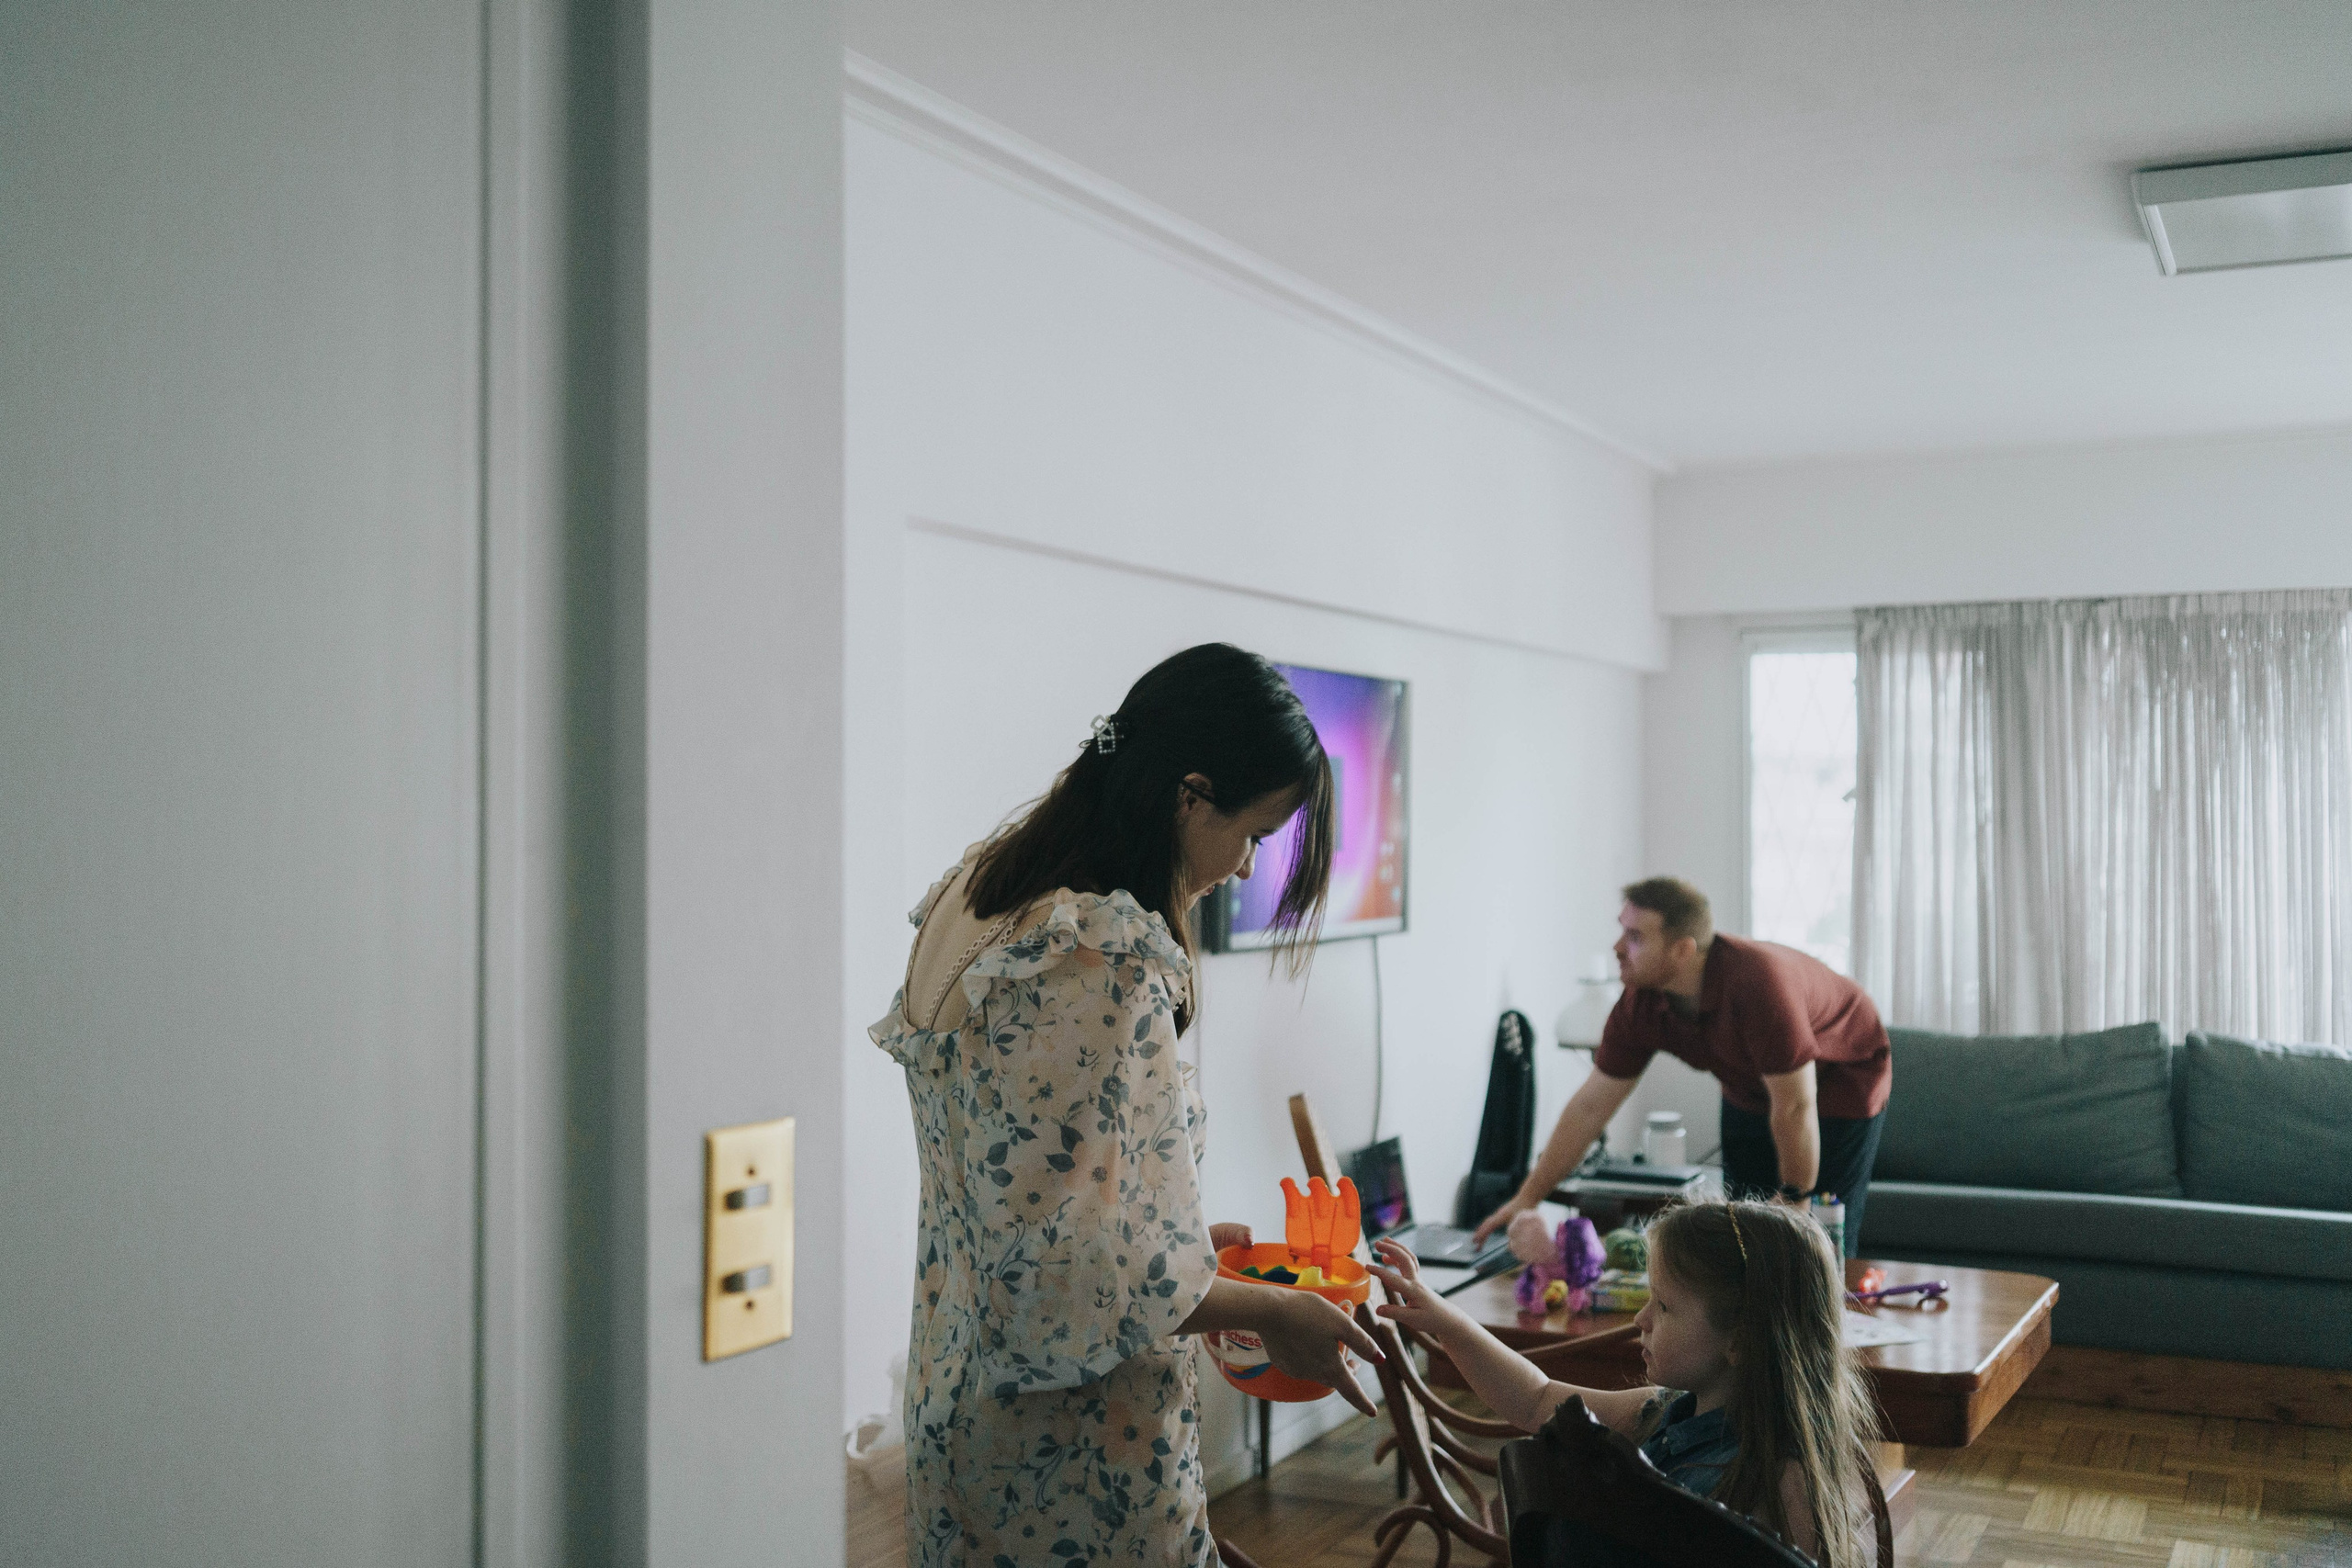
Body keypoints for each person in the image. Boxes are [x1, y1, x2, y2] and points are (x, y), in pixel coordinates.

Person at [870, 644, 1384, 1568]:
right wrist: (1270, 1313)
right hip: (1069, 1443)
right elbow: (1066, 1276)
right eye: (1255, 834)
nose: (1243, 866)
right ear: (1190, 795)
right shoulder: (1096, 961)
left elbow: (1030, 1197)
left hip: (957, 1400)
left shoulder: (985, 895)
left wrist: (1188, 1248)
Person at [1372, 1201, 1881, 1568]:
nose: (1641, 1319)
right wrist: (1447, 1321)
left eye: (1663, 1306)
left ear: (1740, 1340)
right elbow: (1534, 1398)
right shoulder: (1658, 1412)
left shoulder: (1790, 1481)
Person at [1475, 878, 1892, 1255]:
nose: (1618, 947)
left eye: (1635, 936)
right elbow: (1590, 1107)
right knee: (1742, 1238)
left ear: (1683, 949)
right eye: (1622, 930)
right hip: (1750, 1086)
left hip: (1842, 1076)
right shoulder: (1640, 1002)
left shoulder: (1758, 985)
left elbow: (1796, 1106)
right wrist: (1526, 1198)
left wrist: (1796, 1198)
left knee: (1815, 1241)